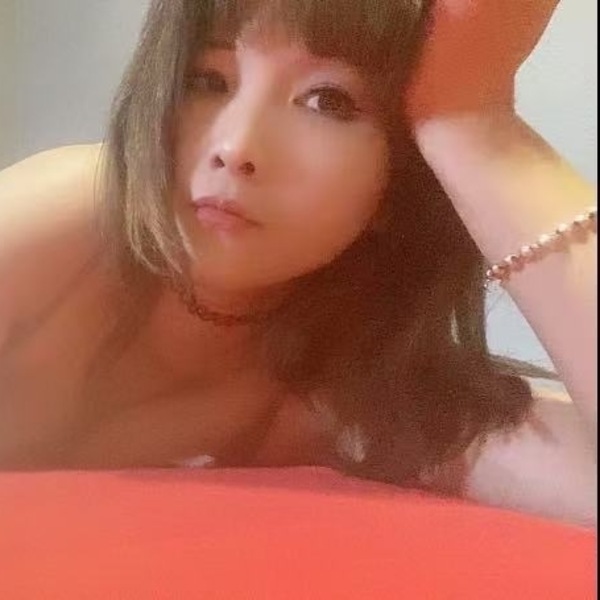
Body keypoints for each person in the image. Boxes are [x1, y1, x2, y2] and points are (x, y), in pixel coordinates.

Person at [0, 0, 596, 526]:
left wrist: (473, 122)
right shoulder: (74, 214)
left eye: (326, 100)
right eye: (208, 79)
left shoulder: (336, 401)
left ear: (399, 182)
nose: (235, 147)